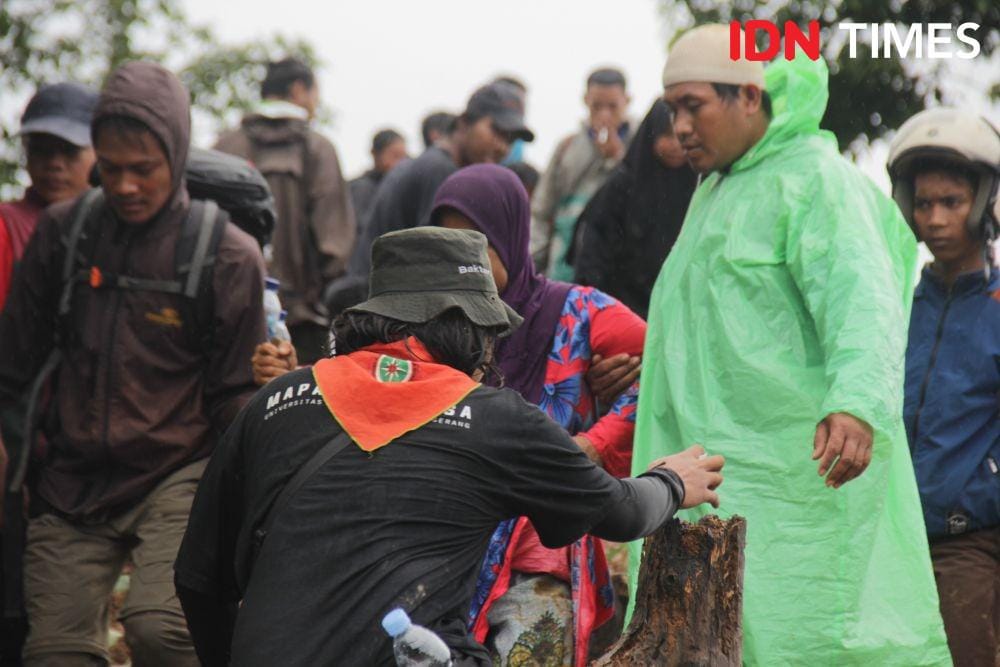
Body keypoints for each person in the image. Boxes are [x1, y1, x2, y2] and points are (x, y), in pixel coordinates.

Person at [174, 225, 725, 667]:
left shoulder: (276, 401)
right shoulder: (496, 419)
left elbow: (197, 580)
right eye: (488, 334)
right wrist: (672, 481)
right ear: (465, 329)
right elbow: (622, 513)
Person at [628, 24, 950, 665]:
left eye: (694, 106)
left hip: (796, 479)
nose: (679, 127)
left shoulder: (815, 181)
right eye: (671, 109)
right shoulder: (714, 193)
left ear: (749, 97)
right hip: (713, 476)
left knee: (812, 634)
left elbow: (863, 302)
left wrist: (856, 403)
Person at [0, 62, 266, 666]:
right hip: (70, 480)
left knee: (162, 631)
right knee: (55, 655)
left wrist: (266, 431)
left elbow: (233, 395)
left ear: (176, 154)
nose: (124, 185)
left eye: (142, 169)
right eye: (111, 167)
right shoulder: (64, 233)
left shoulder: (228, 255)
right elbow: (12, 361)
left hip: (178, 471)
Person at [432, 164, 646, 665]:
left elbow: (668, 366)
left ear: (510, 238)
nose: (463, 260)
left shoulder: (578, 313)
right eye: (448, 244)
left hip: (540, 545)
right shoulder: (431, 328)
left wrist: (592, 442)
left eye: (477, 243)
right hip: (449, 538)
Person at [888, 107, 1000, 667]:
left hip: (970, 544)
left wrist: (982, 492)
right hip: (894, 537)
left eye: (952, 202)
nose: (934, 218)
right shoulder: (895, 307)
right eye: (924, 203)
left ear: (983, 204)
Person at [323, 82, 534, 317]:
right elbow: (438, 269)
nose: (502, 146)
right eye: (497, 131)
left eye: (509, 139)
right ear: (464, 122)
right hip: (377, 309)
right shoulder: (441, 172)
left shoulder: (432, 163)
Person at [215, 57, 354, 364]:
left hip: (227, 314)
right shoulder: (318, 148)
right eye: (316, 94)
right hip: (300, 322)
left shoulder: (224, 146)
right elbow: (334, 245)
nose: (316, 103)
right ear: (299, 90)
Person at [572, 100, 697, 318]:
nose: (675, 145)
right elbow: (593, 257)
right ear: (651, 134)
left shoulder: (699, 186)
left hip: (676, 313)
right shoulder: (623, 187)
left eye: (680, 137)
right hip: (619, 310)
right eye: (666, 135)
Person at [0, 83, 99, 311]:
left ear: (100, 151)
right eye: (41, 150)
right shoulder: (6, 227)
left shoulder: (119, 227)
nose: (54, 164)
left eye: (69, 150)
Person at [531, 67, 633, 280]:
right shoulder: (567, 147)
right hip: (565, 266)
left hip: (619, 266)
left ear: (627, 101)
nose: (604, 114)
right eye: (597, 106)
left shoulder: (639, 143)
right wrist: (533, 265)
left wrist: (617, 158)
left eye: (612, 106)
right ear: (586, 100)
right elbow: (542, 210)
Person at [349, 128, 408, 233]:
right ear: (375, 153)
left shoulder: (397, 188)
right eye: (395, 156)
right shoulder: (362, 188)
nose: (400, 163)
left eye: (404, 157)